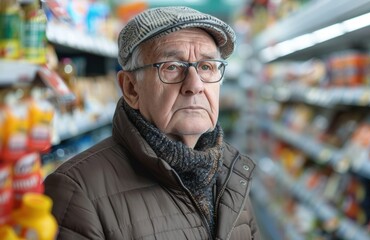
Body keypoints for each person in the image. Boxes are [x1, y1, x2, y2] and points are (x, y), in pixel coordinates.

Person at [44, 6, 260, 240]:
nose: (195, 85)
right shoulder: (76, 192)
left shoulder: (233, 172)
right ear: (130, 88)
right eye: (172, 67)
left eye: (206, 67)